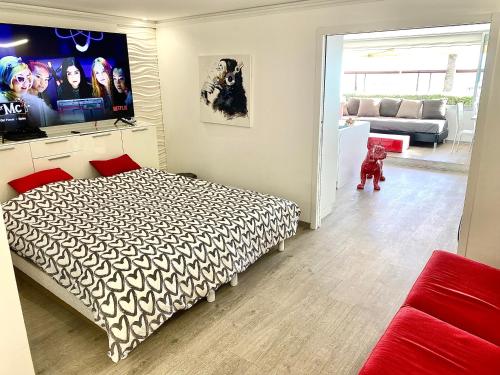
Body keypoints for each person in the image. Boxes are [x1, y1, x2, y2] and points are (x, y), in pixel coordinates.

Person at [0, 55, 56, 128]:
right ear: (7, 80)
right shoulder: (3, 101)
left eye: (28, 77)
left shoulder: (31, 100)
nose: (27, 83)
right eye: (20, 78)